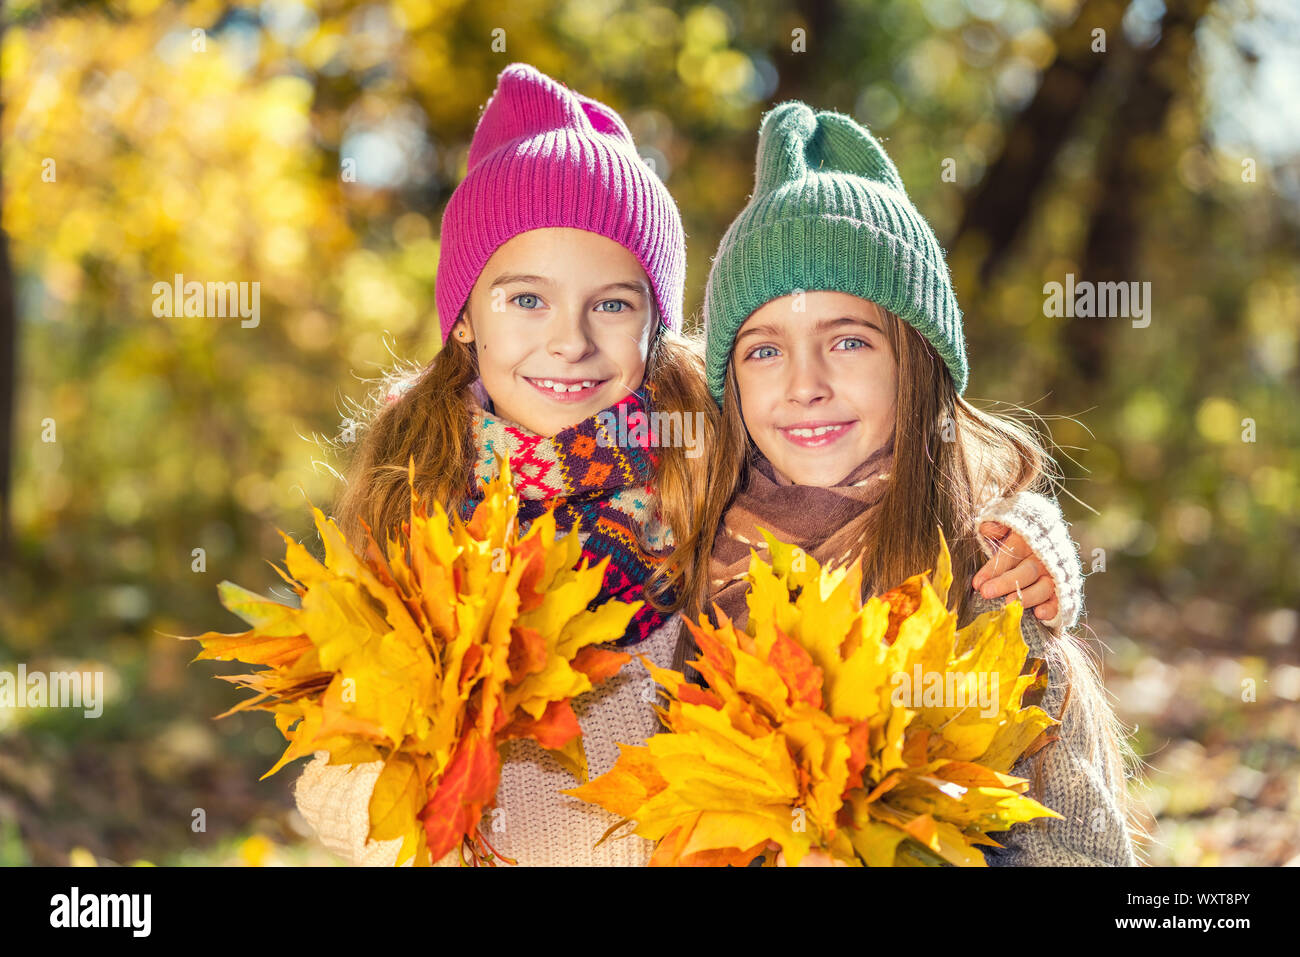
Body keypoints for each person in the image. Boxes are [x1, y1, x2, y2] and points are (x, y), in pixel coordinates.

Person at [293, 67, 1082, 867]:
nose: (571, 340)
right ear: (463, 315)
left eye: (612, 303)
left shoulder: (699, 462)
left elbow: (877, 485)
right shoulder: (413, 503)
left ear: (657, 325)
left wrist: (1027, 533)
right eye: (526, 300)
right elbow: (330, 777)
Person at [683, 100, 1141, 866]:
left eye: (850, 340)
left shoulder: (988, 573)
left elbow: (1078, 846)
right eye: (763, 350)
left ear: (918, 363)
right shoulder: (693, 556)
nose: (805, 384)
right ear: (726, 377)